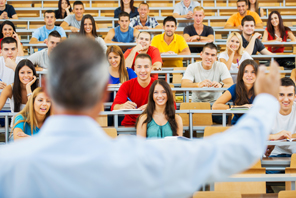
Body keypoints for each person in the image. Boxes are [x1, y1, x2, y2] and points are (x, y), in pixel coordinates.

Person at [0, 37, 281, 198]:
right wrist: (267, 99)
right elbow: (238, 150)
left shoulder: (7, 165)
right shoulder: (139, 158)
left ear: (48, 89)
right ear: (102, 94)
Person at [266, 77, 296, 158]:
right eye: (281, 95)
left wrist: (278, 139)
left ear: (295, 96)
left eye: (289, 95)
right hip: (274, 154)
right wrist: (275, 137)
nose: (286, 99)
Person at [111, 54, 157, 126]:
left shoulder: (159, 85)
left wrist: (153, 106)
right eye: (139, 67)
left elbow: (172, 105)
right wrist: (122, 106)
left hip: (153, 125)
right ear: (134, 68)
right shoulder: (126, 85)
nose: (142, 70)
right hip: (130, 126)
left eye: (146, 67)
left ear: (151, 68)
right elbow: (114, 107)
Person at [212, 59, 258, 125]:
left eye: (253, 72)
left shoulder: (262, 89)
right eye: (246, 72)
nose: (249, 75)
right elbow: (215, 106)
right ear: (241, 74)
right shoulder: (235, 88)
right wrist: (240, 108)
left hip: (256, 126)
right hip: (238, 126)